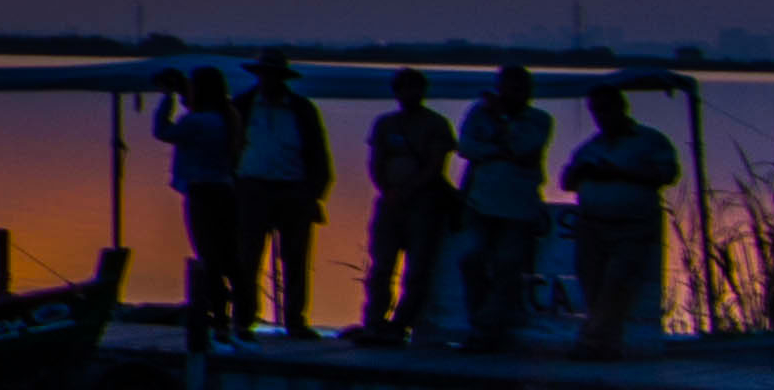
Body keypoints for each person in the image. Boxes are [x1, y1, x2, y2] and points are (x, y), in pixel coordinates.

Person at [569, 85, 684, 358]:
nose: (601, 116)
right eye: (596, 111)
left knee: (617, 283)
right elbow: (567, 182)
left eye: (606, 109)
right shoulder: (590, 147)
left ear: (621, 108)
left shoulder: (650, 141)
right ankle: (607, 345)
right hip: (591, 225)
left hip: (632, 225)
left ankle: (593, 342)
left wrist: (620, 172)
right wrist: (583, 172)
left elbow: (667, 174)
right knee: (594, 287)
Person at [455, 65, 558, 352]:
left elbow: (522, 147)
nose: (510, 93)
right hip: (479, 202)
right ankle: (480, 324)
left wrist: (498, 128)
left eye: (516, 88)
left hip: (518, 207)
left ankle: (488, 329)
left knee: (507, 266)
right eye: (506, 86)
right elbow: (465, 147)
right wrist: (496, 149)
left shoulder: (539, 120)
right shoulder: (478, 112)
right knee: (471, 261)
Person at [356, 71, 455, 347]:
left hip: (424, 204)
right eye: (403, 89)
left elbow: (436, 166)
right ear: (396, 92)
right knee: (381, 267)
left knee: (418, 269)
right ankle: (374, 322)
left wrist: (409, 190)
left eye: (414, 89)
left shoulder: (436, 124)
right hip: (389, 203)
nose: (409, 94)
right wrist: (387, 190)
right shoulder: (385, 124)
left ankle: (401, 324)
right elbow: (375, 163)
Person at [237, 55, 333, 337]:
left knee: (296, 260)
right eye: (266, 75)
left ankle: (295, 321)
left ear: (283, 79)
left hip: (294, 191)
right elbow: (227, 148)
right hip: (252, 189)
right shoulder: (242, 106)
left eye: (274, 75)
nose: (270, 80)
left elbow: (319, 155)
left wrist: (315, 194)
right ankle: (243, 319)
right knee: (246, 258)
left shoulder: (302, 110)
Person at [152, 61, 247, 334]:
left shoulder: (197, 121)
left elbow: (162, 132)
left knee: (209, 257)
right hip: (225, 191)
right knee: (229, 257)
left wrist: (167, 97)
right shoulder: (226, 118)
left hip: (202, 195)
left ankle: (219, 317)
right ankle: (240, 317)